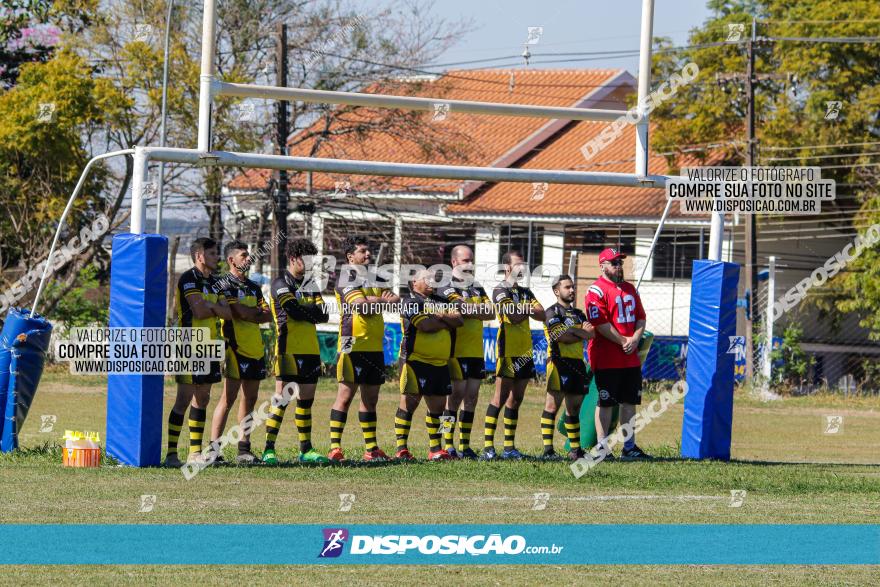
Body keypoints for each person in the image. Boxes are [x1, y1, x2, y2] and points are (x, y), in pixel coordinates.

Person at [328, 236, 400, 462]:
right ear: (351, 257)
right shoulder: (346, 277)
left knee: (371, 399)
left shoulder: (376, 276)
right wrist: (379, 301)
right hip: (351, 343)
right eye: (363, 251)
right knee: (345, 396)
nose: (368, 255)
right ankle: (334, 448)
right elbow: (360, 306)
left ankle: (371, 449)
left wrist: (374, 300)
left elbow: (396, 299)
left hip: (374, 346)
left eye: (369, 251)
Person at [164, 237, 232, 467]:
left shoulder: (217, 282)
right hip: (188, 345)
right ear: (199, 256)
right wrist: (214, 307)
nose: (217, 257)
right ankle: (171, 454)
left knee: (202, 398)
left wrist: (211, 306)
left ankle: (195, 453)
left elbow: (229, 313)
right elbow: (200, 311)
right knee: (183, 398)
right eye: (212, 253)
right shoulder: (187, 278)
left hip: (210, 345)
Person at [263, 238, 331, 464]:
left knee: (306, 400)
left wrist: (307, 311)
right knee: (282, 399)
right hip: (288, 349)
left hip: (311, 350)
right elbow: (291, 309)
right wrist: (309, 311)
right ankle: (268, 449)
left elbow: (324, 314)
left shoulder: (310, 283)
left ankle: (306, 449)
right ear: (293, 259)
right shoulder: (280, 283)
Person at [585, 248, 653, 460]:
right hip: (606, 357)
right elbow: (600, 323)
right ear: (602, 265)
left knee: (629, 402)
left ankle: (629, 446)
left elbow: (641, 318)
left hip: (629, 356)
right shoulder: (595, 290)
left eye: (620, 262)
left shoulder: (630, 289)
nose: (618, 266)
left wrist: (634, 338)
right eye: (613, 262)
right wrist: (622, 340)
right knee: (605, 402)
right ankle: (602, 447)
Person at [209, 240, 272, 464]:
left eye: (249, 255)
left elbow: (267, 315)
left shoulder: (254, 287)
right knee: (228, 398)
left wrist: (252, 312)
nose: (248, 259)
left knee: (251, 398)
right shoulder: (224, 284)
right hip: (235, 348)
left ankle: (244, 450)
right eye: (244, 255)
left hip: (255, 348)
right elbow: (239, 313)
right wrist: (252, 312)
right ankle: (213, 450)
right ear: (231, 260)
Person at [394, 269, 464, 461]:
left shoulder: (441, 300)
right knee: (408, 404)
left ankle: (436, 449)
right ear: (414, 281)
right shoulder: (410, 302)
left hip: (440, 363)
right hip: (415, 362)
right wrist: (442, 318)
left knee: (440, 408)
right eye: (427, 278)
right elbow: (424, 326)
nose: (432, 281)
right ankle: (401, 449)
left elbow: (459, 320)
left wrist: (440, 317)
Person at [482, 250, 545, 460]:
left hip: (525, 351)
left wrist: (525, 308)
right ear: (508, 267)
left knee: (516, 399)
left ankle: (509, 447)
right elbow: (514, 316)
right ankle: (488, 447)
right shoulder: (500, 290)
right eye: (518, 264)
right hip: (508, 350)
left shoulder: (526, 292)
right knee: (499, 397)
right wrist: (527, 309)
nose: (522, 268)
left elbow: (543, 313)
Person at [436, 245, 494, 459]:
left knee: (471, 398)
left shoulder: (477, 287)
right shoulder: (446, 285)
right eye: (465, 261)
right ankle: (445, 444)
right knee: (454, 398)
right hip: (454, 351)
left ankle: (465, 445)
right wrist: (474, 310)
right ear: (453, 263)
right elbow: (463, 309)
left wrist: (471, 309)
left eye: (472, 260)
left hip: (475, 351)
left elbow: (491, 313)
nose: (469, 265)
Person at [541, 275, 594, 461]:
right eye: (567, 287)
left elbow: (591, 334)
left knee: (574, 408)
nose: (572, 290)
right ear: (557, 291)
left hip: (578, 364)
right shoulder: (551, 312)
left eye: (573, 287)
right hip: (558, 363)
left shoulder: (579, 314)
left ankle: (575, 450)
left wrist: (572, 331)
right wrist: (581, 333)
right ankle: (548, 450)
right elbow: (559, 336)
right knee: (552, 406)